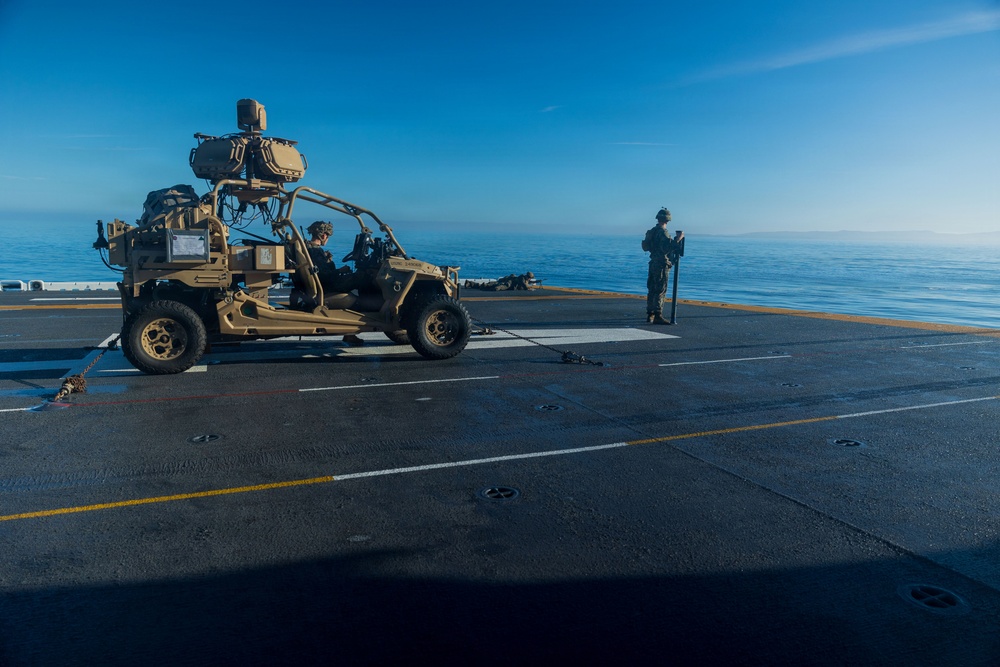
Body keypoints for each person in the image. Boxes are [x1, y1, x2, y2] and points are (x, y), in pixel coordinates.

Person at [302, 220, 370, 346]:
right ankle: (368, 313)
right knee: (362, 278)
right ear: (323, 236)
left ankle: (350, 333)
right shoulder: (315, 251)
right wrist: (340, 270)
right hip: (327, 285)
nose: (327, 239)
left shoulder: (308, 248)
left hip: (323, 284)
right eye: (327, 236)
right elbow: (323, 275)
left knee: (357, 278)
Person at [644, 208, 684, 324]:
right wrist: (679, 238)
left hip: (653, 263)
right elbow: (667, 247)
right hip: (661, 264)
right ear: (667, 220)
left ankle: (650, 314)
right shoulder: (663, 232)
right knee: (660, 289)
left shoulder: (653, 231)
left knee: (652, 288)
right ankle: (658, 315)